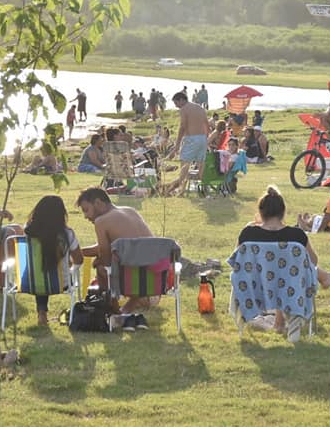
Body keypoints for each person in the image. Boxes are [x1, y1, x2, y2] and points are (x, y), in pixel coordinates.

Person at [237, 186, 330, 334]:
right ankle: (325, 277)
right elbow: (313, 261)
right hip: (289, 286)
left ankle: (279, 321)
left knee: (279, 273)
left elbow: (238, 260)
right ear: (283, 212)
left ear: (260, 212)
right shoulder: (296, 235)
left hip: (256, 284)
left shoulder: (248, 233)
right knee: (286, 273)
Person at [77, 187, 155, 325]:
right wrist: (76, 252)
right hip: (154, 278)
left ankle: (113, 309)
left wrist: (99, 260)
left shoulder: (101, 221)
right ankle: (132, 304)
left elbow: (105, 255)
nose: (85, 216)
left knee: (102, 267)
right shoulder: (130, 211)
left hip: (132, 279)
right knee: (114, 264)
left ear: (98, 203)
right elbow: (107, 247)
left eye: (86, 210)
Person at [24, 195, 84, 325]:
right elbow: (79, 259)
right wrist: (70, 266)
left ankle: (42, 312)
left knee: (41, 274)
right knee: (47, 273)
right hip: (61, 283)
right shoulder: (67, 234)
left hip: (30, 281)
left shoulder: (28, 232)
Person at [168, 91, 210, 194]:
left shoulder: (184, 109)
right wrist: (205, 138)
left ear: (181, 100)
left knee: (185, 163)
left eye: (176, 103)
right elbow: (207, 125)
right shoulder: (200, 108)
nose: (176, 106)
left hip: (191, 138)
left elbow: (182, 127)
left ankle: (181, 189)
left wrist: (177, 145)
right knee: (201, 164)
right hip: (202, 138)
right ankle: (204, 188)